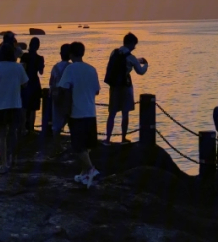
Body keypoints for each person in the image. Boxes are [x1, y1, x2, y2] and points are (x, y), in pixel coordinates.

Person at [58, 40, 101, 186]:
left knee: (78, 146)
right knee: (86, 145)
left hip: (76, 113)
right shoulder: (91, 69)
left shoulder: (70, 69)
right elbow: (97, 90)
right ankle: (84, 174)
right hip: (91, 112)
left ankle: (90, 169)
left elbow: (63, 88)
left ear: (70, 54)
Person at [0, 41, 27, 173]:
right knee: (13, 133)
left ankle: (4, 164)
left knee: (2, 134)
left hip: (0, 105)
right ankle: (13, 159)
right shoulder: (18, 67)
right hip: (15, 104)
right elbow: (25, 83)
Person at [103, 32, 148, 143]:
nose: (135, 47)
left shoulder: (114, 52)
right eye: (134, 44)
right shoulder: (131, 57)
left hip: (114, 86)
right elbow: (140, 71)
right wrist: (146, 64)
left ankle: (107, 138)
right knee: (125, 113)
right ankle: (123, 138)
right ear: (131, 43)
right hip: (125, 87)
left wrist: (136, 60)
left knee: (112, 113)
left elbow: (125, 60)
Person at [48, 43, 72, 152]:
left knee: (56, 122)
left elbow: (51, 82)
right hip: (68, 96)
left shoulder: (55, 67)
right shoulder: (71, 67)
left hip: (56, 96)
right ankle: (74, 144)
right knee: (71, 119)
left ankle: (57, 145)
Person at [19, 36, 44, 135]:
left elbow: (22, 69)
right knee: (33, 109)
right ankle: (31, 129)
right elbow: (41, 72)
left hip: (25, 83)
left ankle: (22, 129)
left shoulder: (24, 56)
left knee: (24, 107)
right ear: (38, 46)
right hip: (35, 83)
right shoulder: (40, 58)